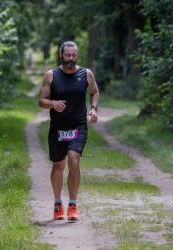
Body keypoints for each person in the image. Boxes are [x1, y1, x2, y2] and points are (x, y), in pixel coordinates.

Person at [38, 41, 99, 221]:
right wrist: (52, 103)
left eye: (74, 55)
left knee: (73, 159)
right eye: (67, 55)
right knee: (58, 165)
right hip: (57, 127)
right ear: (61, 55)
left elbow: (94, 92)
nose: (71, 58)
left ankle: (72, 204)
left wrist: (94, 109)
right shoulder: (51, 75)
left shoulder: (86, 74)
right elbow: (41, 101)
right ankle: (58, 204)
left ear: (77, 55)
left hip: (78, 125)